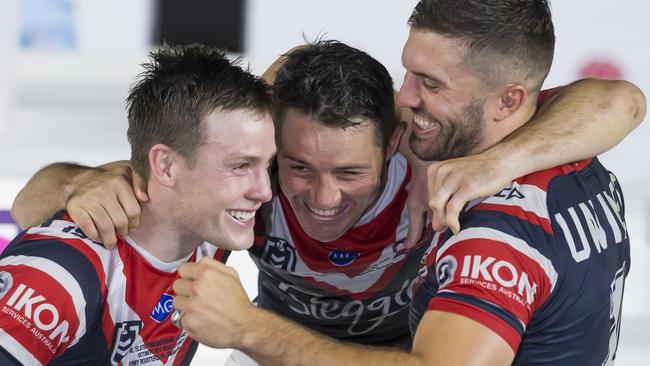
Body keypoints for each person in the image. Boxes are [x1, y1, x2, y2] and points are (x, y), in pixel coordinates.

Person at [9, 35, 645, 357]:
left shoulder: (440, 159)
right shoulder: (248, 184)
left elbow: (620, 100)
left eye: (349, 174)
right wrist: (83, 183)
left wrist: (495, 163)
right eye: (298, 168)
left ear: (397, 140)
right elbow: (33, 207)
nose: (320, 198)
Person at [169, 1, 645, 365]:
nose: (406, 96)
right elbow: (622, 102)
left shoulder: (492, 227)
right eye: (300, 168)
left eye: (431, 85)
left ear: (508, 100)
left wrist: (248, 328)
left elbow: (622, 100)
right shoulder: (568, 154)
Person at [0, 44, 276, 365]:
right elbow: (29, 205)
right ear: (166, 166)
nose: (265, 191)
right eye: (240, 166)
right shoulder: (61, 276)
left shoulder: (208, 233)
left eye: (267, 165)